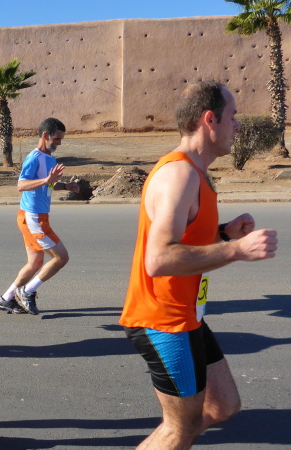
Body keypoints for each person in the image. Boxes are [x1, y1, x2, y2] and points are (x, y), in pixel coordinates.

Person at [120, 81, 278, 449]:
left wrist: (222, 233)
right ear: (210, 119)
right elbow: (158, 259)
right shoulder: (180, 175)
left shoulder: (195, 171)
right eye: (232, 116)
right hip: (163, 321)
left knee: (223, 406)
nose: (237, 125)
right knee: (180, 428)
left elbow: (183, 237)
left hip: (186, 315)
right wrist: (236, 249)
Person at [0, 118, 79, 315]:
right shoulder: (34, 158)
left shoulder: (50, 158)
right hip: (33, 218)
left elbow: (47, 184)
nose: (59, 143)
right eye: (57, 139)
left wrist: (64, 186)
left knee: (34, 263)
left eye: (61, 139)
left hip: (36, 216)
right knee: (61, 257)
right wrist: (47, 179)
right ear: (45, 135)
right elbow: (21, 185)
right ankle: (27, 291)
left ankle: (5, 299)